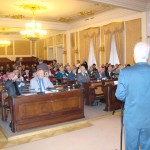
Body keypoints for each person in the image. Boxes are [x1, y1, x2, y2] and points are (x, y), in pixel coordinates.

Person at [115, 42, 150, 150]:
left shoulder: (126, 72)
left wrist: (130, 98)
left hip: (132, 117)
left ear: (134, 56)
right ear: (148, 56)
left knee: (131, 147)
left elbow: (119, 95)